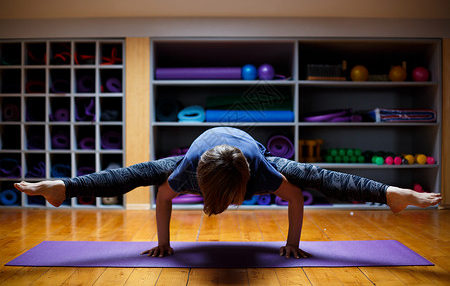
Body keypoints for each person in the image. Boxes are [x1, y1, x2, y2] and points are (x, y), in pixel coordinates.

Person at [14, 127, 442, 259]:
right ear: (198, 186)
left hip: (246, 154)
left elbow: (294, 197)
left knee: (313, 175)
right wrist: (163, 244)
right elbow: (162, 197)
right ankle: (61, 188)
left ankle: (391, 193)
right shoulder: (185, 173)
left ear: (246, 189)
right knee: (138, 173)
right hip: (207, 154)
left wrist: (292, 244)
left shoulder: (262, 174)